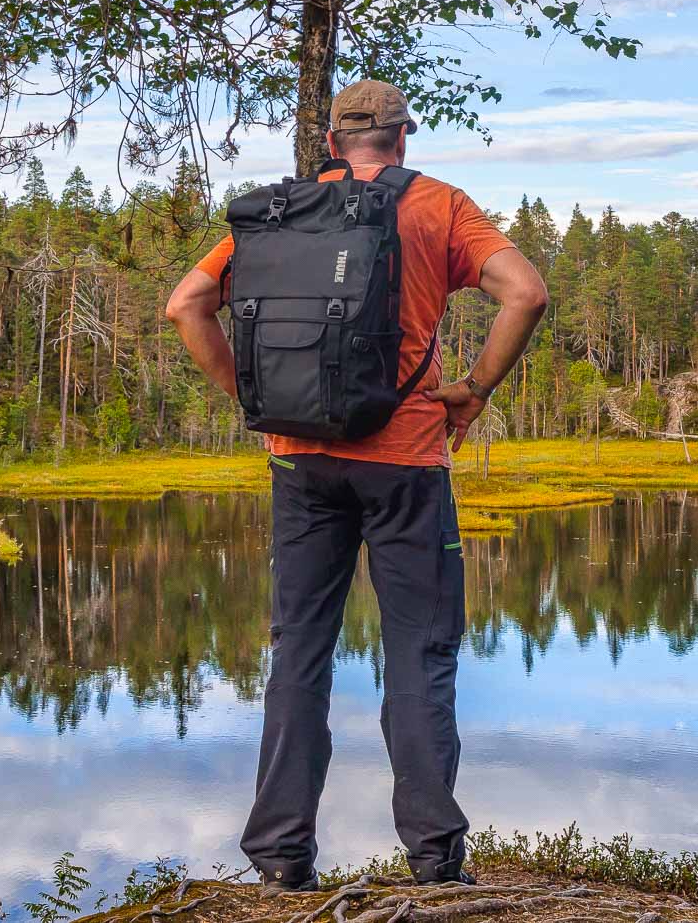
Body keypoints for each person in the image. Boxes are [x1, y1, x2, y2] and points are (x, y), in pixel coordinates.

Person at [163, 80, 549, 893]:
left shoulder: (280, 212)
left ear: (334, 143)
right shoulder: (440, 205)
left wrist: (251, 398)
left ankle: (279, 859)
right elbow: (527, 293)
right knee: (419, 652)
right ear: (402, 138)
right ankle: (435, 859)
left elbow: (187, 304)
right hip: (406, 462)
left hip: (300, 463)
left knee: (299, 651)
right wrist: (474, 389)